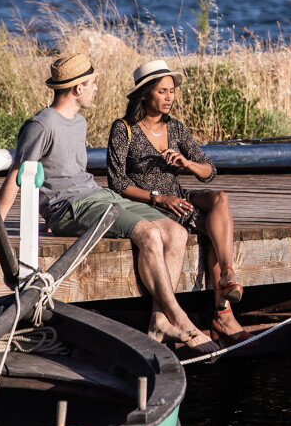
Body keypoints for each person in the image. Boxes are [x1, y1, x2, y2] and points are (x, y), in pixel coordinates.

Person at [0, 53, 219, 357]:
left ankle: (160, 320)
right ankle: (180, 318)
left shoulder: (78, 122)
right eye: (93, 83)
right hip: (68, 207)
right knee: (147, 233)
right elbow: (18, 174)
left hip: (96, 196)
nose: (97, 89)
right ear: (77, 88)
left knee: (175, 231)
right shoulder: (41, 125)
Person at [107, 59, 253, 346]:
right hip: (149, 204)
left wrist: (186, 163)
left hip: (179, 200)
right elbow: (118, 183)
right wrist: (158, 197)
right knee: (212, 230)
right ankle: (223, 312)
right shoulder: (123, 129)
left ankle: (227, 273)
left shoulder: (175, 128)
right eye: (162, 91)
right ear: (145, 94)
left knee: (220, 199)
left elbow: (209, 172)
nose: (169, 97)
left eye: (172, 91)